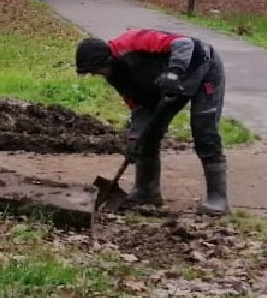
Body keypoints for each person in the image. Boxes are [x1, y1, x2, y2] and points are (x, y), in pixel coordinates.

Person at [74, 29, 227, 215]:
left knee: (205, 132)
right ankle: (146, 192)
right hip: (167, 88)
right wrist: (135, 138)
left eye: (96, 69)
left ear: (106, 59)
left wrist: (174, 72)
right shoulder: (114, 76)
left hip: (202, 68)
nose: (97, 74)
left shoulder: (132, 42)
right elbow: (138, 105)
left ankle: (218, 199)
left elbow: (184, 43)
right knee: (147, 136)